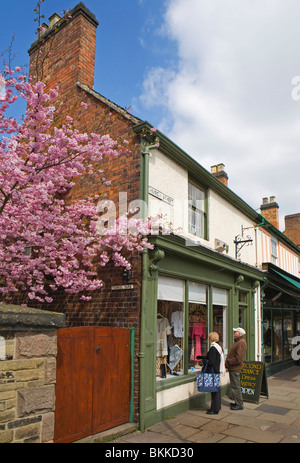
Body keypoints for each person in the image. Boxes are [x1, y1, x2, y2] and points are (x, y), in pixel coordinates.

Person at [197, 332, 225, 415]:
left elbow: (211, 361)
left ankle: (214, 409)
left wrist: (204, 360)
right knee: (216, 389)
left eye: (209, 338)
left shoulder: (213, 348)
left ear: (211, 339)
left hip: (213, 371)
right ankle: (216, 407)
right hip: (217, 370)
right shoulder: (219, 346)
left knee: (214, 391)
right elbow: (213, 357)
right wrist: (202, 357)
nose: (208, 340)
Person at [225, 327, 247, 410]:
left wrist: (228, 362)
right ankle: (237, 402)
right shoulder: (238, 342)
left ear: (240, 334)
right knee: (234, 386)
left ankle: (239, 404)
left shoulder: (241, 343)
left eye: (235, 332)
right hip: (233, 368)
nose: (234, 333)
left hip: (235, 368)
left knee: (236, 386)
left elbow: (238, 358)